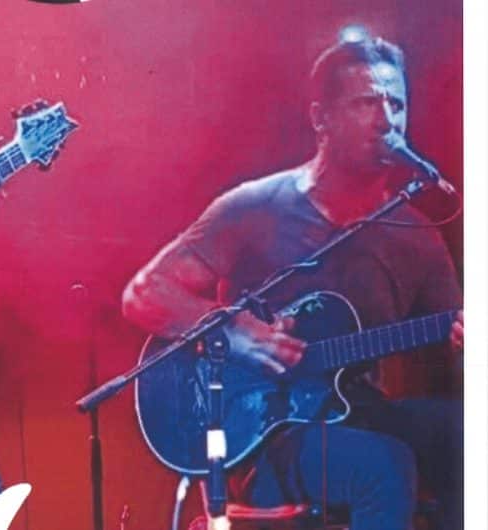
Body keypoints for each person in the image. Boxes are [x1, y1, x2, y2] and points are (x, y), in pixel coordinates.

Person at [123, 36, 464, 530]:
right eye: (366, 103)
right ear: (320, 118)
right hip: (262, 434)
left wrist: (464, 345)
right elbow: (145, 293)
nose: (386, 120)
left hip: (354, 413)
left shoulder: (417, 236)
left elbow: (456, 347)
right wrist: (234, 331)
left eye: (397, 103)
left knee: (466, 435)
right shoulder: (256, 205)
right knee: (384, 466)